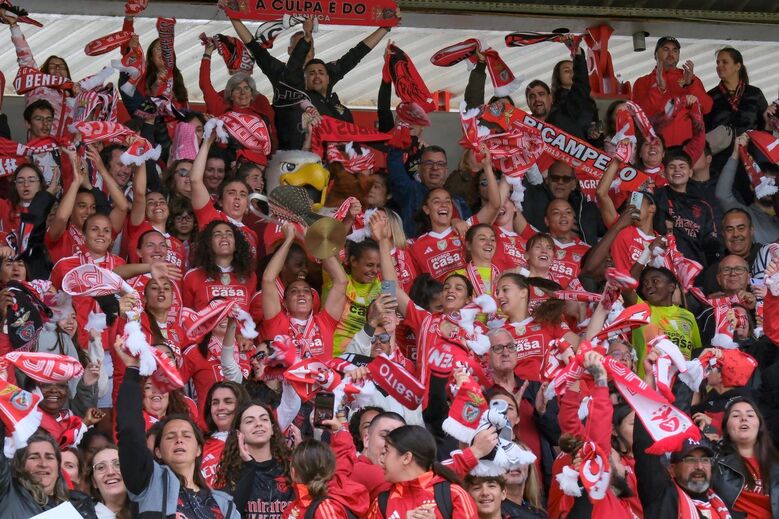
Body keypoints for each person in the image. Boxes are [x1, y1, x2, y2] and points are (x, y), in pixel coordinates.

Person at [114, 338, 240, 518]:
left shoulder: (224, 504)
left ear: (199, 449)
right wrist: (133, 369)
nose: (179, 439)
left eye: (187, 435)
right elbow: (130, 432)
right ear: (158, 451)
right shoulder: (148, 484)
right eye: (170, 436)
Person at [633, 347, 733, 519]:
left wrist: (694, 370)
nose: (699, 466)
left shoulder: (721, 502)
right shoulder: (662, 497)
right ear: (671, 469)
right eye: (690, 460)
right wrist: (650, 380)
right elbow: (644, 446)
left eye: (705, 460)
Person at [261, 223, 347, 359]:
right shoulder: (277, 322)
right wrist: (288, 240)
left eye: (307, 291)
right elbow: (268, 279)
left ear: (313, 301)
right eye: (294, 291)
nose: (301, 293)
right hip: (287, 374)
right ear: (284, 303)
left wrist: (315, 242)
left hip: (321, 374)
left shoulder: (325, 322)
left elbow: (341, 280)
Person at [367, 424, 479, 518]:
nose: (381, 459)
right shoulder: (382, 502)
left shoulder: (454, 494)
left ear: (406, 458)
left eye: (386, 451)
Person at [215, 402, 295, 517]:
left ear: (272, 429)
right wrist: (249, 466)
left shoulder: (291, 468)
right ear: (239, 433)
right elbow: (230, 513)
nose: (258, 424)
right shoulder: (230, 473)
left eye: (264, 419)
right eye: (249, 421)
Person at [0, 425, 97, 518]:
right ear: (20, 465)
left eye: (49, 457)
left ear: (58, 467)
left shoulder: (80, 503)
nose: (43, 464)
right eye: (34, 457)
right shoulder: (7, 492)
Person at [632, 36, 713, 147]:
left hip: (686, 149)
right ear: (655, 54)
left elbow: (707, 108)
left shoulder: (689, 78)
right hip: (656, 148)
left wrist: (690, 84)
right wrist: (659, 89)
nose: (671, 54)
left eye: (675, 50)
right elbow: (641, 117)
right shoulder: (642, 82)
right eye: (666, 49)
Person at [284, 421, 370, 518]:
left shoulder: (324, 509)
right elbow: (343, 453)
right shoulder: (338, 484)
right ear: (330, 465)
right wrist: (339, 429)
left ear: (293, 472)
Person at [712, 397, 779, 518]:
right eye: (736, 415)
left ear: (760, 425)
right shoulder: (715, 461)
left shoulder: (776, 464)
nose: (744, 418)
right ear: (726, 428)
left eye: (750, 415)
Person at [652, 147, 720, 267]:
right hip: (663, 265)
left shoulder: (703, 206)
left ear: (690, 173)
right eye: (672, 167)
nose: (677, 170)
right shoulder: (656, 197)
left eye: (682, 166)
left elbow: (711, 245)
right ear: (664, 172)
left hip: (694, 269)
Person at [705, 47, 769, 172]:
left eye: (725, 62)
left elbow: (765, 126)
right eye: (718, 63)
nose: (719, 66)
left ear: (737, 66)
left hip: (752, 158)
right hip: (720, 161)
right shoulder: (711, 96)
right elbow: (704, 130)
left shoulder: (754, 93)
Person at [388, 146, 472, 238]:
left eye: (440, 164)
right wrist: (397, 148)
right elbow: (397, 175)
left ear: (446, 171)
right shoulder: (411, 191)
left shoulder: (460, 203)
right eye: (429, 163)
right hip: (418, 246)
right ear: (419, 169)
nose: (435, 167)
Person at [519, 161, 604, 246]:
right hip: (542, 251)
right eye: (555, 178)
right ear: (547, 180)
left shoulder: (588, 208)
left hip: (585, 253)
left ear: (574, 184)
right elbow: (516, 179)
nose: (560, 182)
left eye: (566, 179)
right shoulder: (533, 196)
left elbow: (608, 231)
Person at [716, 134, 779, 245]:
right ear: (752, 186)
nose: (770, 187)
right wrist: (736, 153)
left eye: (774, 183)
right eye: (764, 182)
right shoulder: (744, 215)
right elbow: (722, 194)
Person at [699, 209, 763, 293]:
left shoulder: (769, 258)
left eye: (741, 228)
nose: (735, 234)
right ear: (723, 234)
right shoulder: (714, 271)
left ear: (751, 230)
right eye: (729, 229)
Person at [86, 445, 131, 519]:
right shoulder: (79, 515)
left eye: (118, 464)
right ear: (94, 481)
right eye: (101, 467)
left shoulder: (147, 508)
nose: (110, 472)